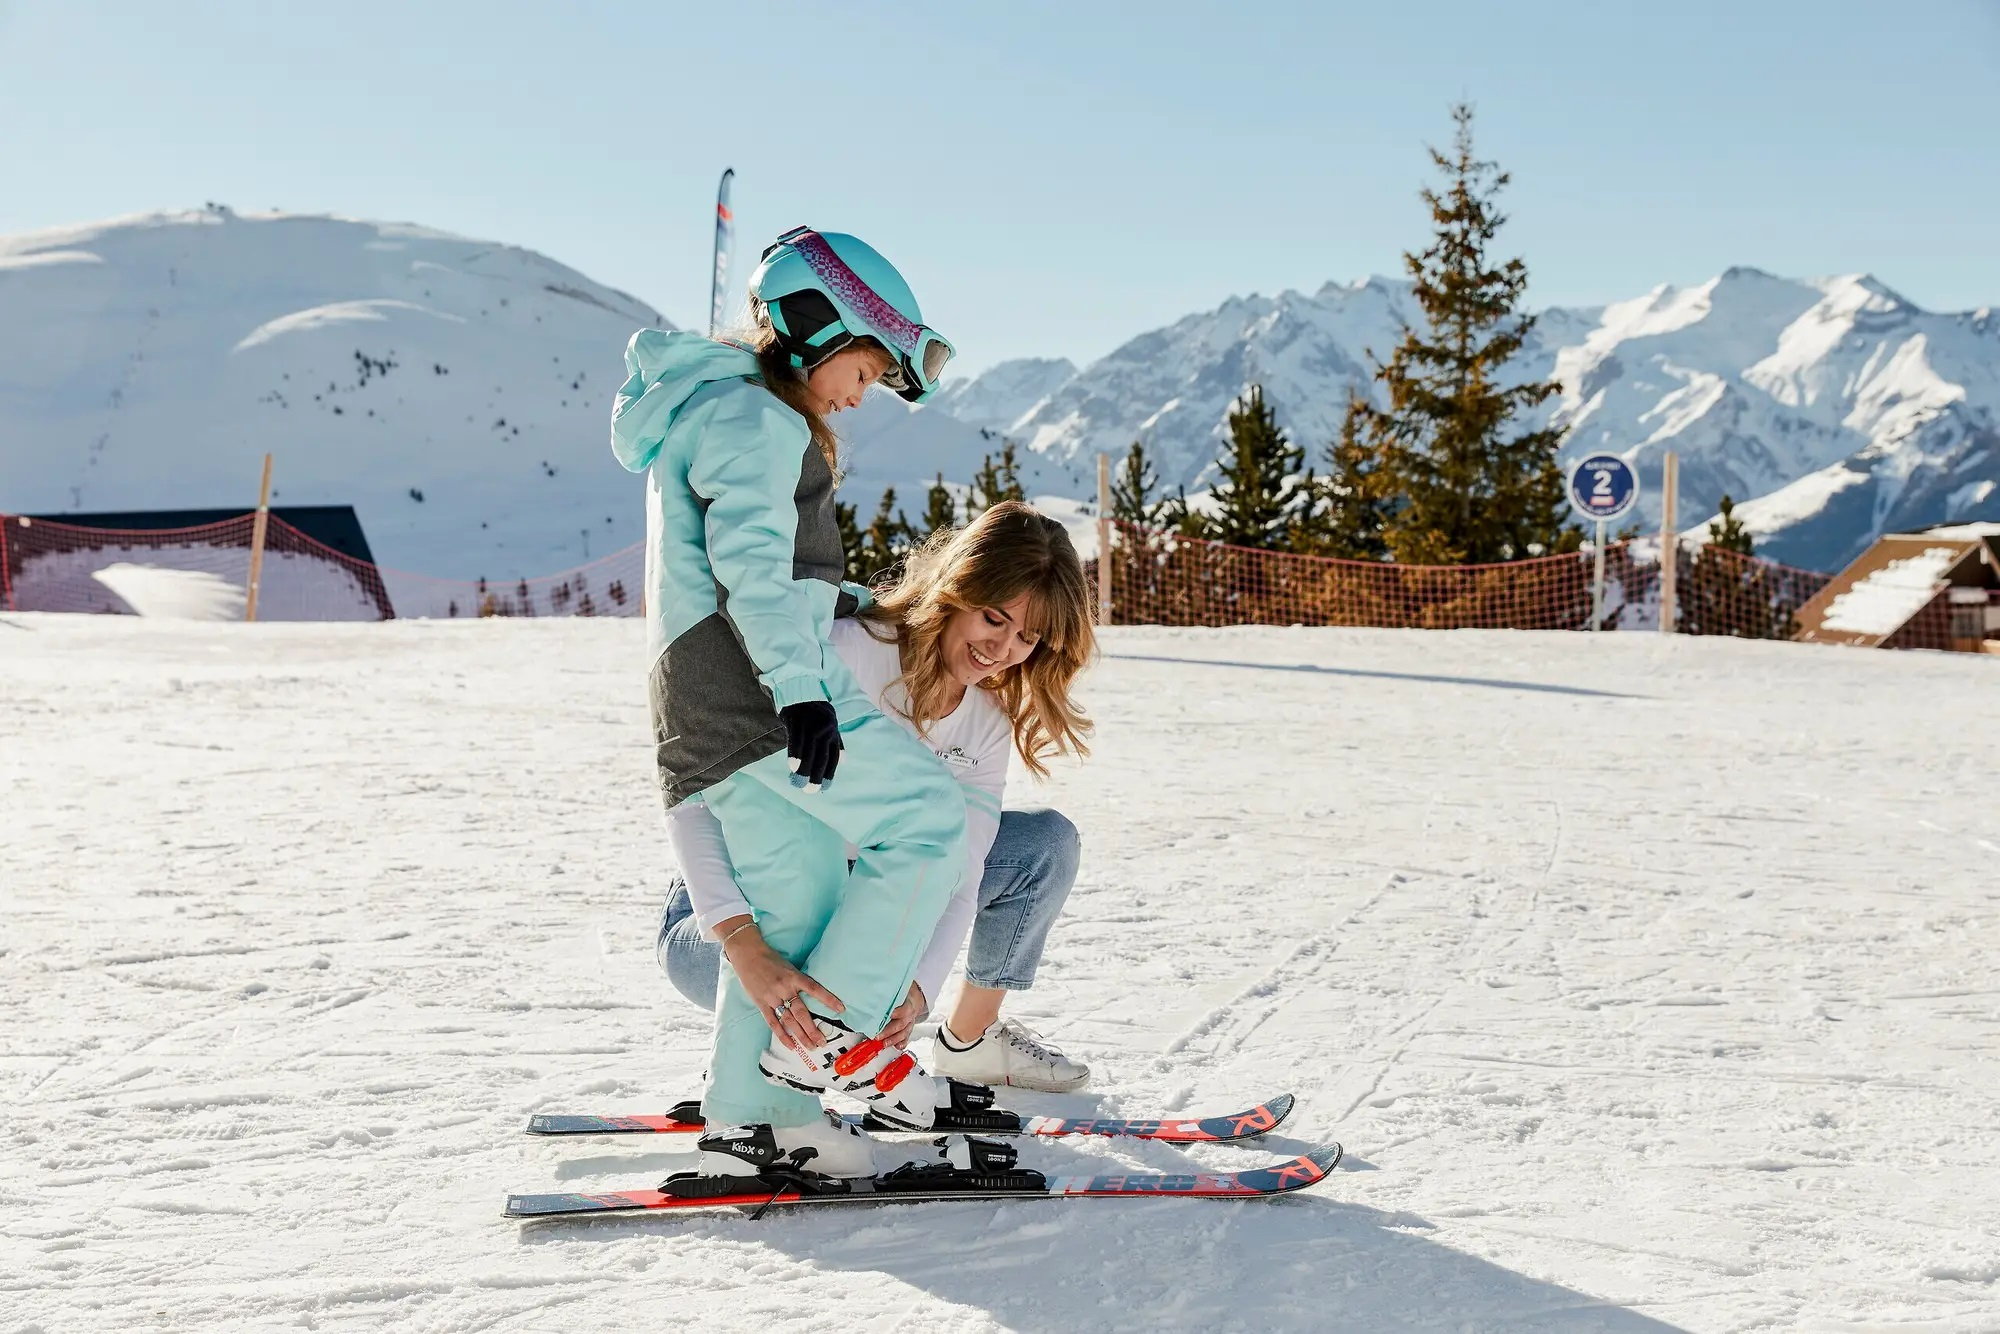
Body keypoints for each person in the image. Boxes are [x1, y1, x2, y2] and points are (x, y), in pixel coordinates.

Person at [609, 228, 1052, 1182]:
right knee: (926, 821)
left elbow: (743, 571)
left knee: (797, 906)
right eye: (865, 365)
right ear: (814, 327)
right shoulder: (758, 422)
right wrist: (803, 689)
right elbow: (755, 575)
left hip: (711, 700)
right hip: (757, 694)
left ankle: (761, 1121)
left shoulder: (715, 412)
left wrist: (833, 610)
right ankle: (837, 1046)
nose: (863, 392)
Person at [657, 503, 1096, 1104]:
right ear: (957, 589)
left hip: (867, 910)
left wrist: (915, 989)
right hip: (739, 912)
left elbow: (961, 873)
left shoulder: (986, 717)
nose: (1003, 649)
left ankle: (970, 1040)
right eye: (994, 619)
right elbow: (700, 789)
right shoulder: (844, 651)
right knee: (804, 933)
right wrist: (742, 943)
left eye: (1028, 638)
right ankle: (756, 1067)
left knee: (1040, 847)